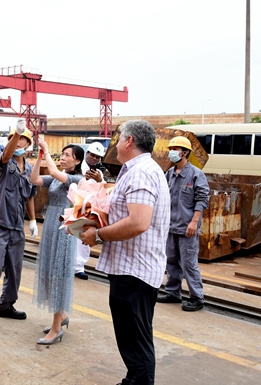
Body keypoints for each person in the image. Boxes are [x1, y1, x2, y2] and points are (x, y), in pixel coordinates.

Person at [81, 120, 170, 385]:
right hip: (131, 269)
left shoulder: (141, 172)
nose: (116, 144)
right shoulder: (138, 170)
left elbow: (138, 222)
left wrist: (98, 235)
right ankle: (134, 380)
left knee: (136, 343)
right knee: (133, 340)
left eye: (119, 139)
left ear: (129, 141)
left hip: (135, 272)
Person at [0, 118, 38, 335]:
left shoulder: (29, 169)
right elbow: (6, 155)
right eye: (15, 138)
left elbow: (30, 195)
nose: (19, 141)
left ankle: (5, 305)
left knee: (15, 270)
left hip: (16, 225)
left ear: (28, 144)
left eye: (22, 139)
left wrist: (32, 220)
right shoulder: (3, 161)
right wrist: (17, 132)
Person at [30, 140, 84, 345]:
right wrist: (39, 158)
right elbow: (34, 179)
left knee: (58, 275)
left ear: (77, 161)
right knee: (50, 271)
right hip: (52, 224)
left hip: (64, 228)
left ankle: (56, 328)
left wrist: (46, 151)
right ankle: (61, 317)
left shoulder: (76, 179)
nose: (63, 157)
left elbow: (53, 172)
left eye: (68, 155)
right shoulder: (56, 178)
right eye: (62, 154)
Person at [157, 136, 209, 312]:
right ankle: (173, 292)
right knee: (171, 260)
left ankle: (197, 297)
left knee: (189, 264)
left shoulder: (196, 174)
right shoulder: (169, 174)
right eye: (171, 149)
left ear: (185, 152)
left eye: (176, 149)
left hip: (188, 227)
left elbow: (202, 200)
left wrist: (194, 222)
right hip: (171, 226)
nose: (172, 152)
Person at [75, 142, 106, 280]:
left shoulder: (99, 173)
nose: (94, 158)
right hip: (76, 206)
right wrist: (84, 179)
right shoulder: (77, 166)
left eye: (97, 157)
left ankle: (79, 267)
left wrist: (100, 180)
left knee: (84, 237)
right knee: (71, 237)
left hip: (90, 209)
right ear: (87, 153)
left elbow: (104, 191)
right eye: (92, 155)